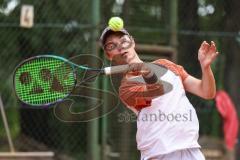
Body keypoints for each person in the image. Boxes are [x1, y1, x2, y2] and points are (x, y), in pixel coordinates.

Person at [99, 24, 218, 160]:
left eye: (123, 40)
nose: (120, 46)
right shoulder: (126, 89)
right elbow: (157, 89)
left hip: (191, 150)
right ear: (109, 56)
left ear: (132, 41)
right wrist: (146, 70)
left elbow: (206, 92)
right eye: (111, 46)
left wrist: (206, 67)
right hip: (160, 154)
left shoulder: (166, 65)